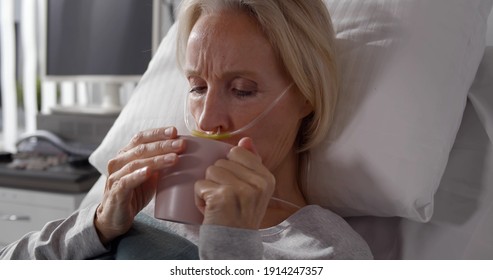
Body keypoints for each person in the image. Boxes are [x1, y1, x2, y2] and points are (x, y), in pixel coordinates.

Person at [0, 0, 372, 259]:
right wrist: (96, 226)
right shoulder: (136, 211)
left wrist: (231, 242)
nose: (208, 120)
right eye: (197, 87)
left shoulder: (325, 251)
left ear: (306, 95)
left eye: (242, 89)